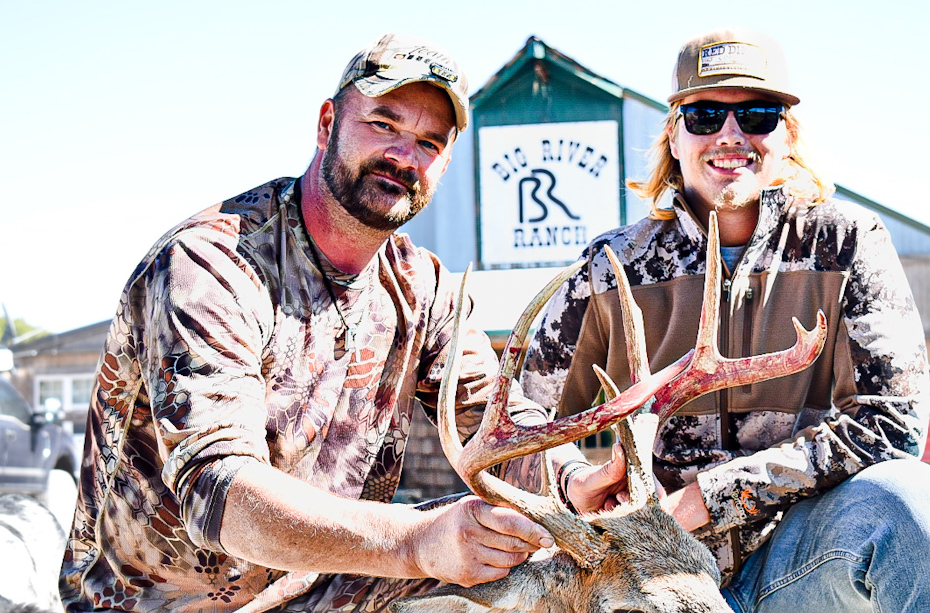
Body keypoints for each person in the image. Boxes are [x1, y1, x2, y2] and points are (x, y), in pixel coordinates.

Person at [59, 33, 625, 613]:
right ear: (328, 123)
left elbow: (490, 419)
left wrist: (570, 481)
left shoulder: (424, 289)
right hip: (165, 604)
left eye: (429, 142)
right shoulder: (210, 265)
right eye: (383, 124)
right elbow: (221, 493)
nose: (404, 156)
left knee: (534, 559)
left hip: (324, 587)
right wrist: (416, 543)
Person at [520, 28, 930, 612]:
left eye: (758, 115)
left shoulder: (845, 245)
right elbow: (521, 416)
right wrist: (571, 480)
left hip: (797, 561)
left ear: (787, 135)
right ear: (674, 132)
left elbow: (895, 424)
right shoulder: (613, 269)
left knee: (910, 505)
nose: (730, 136)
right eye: (706, 115)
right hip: (650, 573)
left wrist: (715, 497)